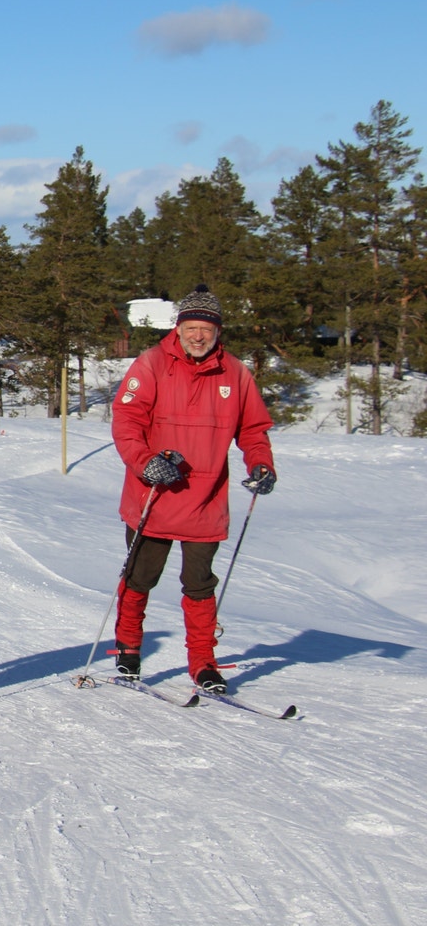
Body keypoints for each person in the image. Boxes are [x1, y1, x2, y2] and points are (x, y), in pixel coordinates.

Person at [109, 285, 276, 693]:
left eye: (206, 328)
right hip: (154, 496)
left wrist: (262, 463)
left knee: (200, 584)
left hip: (206, 502)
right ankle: (129, 648)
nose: (198, 336)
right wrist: (146, 461)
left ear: (218, 331)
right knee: (140, 576)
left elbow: (253, 429)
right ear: (178, 328)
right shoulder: (150, 364)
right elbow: (126, 419)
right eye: (191, 327)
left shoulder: (235, 373)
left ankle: (203, 662)